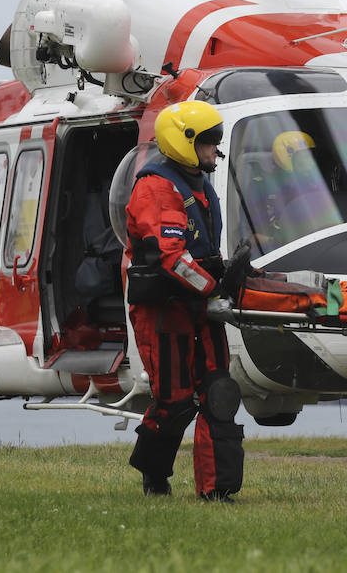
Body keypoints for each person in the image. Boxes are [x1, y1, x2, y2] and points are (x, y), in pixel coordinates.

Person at [124, 100, 244, 502]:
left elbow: (200, 251)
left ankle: (218, 490)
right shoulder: (157, 188)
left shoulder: (200, 184)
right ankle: (154, 475)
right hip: (165, 309)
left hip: (200, 303)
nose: (216, 150)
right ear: (185, 143)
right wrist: (214, 289)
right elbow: (171, 257)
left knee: (220, 393)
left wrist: (223, 281)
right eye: (209, 142)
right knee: (174, 401)